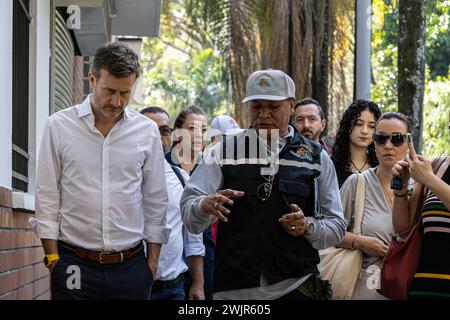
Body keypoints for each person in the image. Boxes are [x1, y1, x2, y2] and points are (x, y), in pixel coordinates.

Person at [180, 69, 346, 300]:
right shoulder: (223, 152)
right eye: (257, 107)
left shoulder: (315, 157)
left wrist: (308, 226)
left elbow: (337, 226)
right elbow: (189, 214)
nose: (264, 114)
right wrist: (204, 206)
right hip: (235, 291)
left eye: (273, 106)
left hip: (295, 286)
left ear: (291, 105)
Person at [29, 42, 170, 300]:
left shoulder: (146, 131)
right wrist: (53, 260)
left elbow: (155, 199)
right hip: (74, 264)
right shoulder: (58, 126)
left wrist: (151, 264)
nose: (117, 101)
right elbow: (47, 195)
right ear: (92, 78)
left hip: (131, 266)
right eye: (110, 91)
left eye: (125, 93)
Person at [338, 112, 410, 299]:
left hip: (408, 287)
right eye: (380, 139)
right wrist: (359, 241)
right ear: (374, 144)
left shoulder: (421, 186)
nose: (388, 146)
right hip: (365, 287)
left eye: (397, 139)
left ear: (408, 143)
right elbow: (330, 232)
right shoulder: (357, 183)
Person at [140, 106, 206, 300]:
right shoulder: (120, 179)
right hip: (131, 286)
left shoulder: (181, 178)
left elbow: (194, 236)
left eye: (163, 130)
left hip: (173, 288)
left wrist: (198, 284)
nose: (157, 136)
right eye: (148, 128)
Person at [391, 118, 450, 300]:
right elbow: (403, 229)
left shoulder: (430, 175)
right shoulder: (437, 166)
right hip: (426, 286)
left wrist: (430, 179)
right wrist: (400, 192)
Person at [166, 106, 215, 300]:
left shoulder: (210, 166)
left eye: (203, 130)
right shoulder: (165, 164)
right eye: (191, 128)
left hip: (205, 243)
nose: (198, 135)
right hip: (172, 248)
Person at [331, 99, 381, 188]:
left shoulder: (381, 167)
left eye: (371, 126)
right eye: (358, 124)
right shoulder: (331, 166)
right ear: (347, 126)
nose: (365, 131)